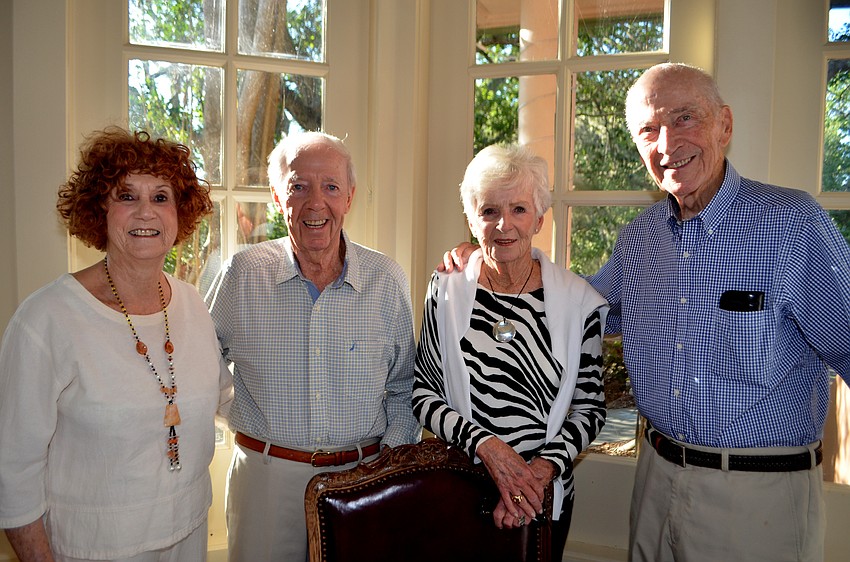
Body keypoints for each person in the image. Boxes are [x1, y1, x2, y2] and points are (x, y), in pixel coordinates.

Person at [442, 63, 850, 562]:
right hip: (656, 481)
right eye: (649, 130)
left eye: (684, 118)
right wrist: (489, 258)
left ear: (724, 124)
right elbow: (570, 311)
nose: (667, 143)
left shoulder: (791, 223)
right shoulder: (639, 238)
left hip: (758, 494)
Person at [0, 127, 233, 561]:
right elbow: (12, 469)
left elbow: (223, 398)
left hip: (189, 534)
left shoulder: (192, 304)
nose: (146, 212)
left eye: (161, 197)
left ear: (180, 213)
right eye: (127, 196)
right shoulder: (47, 319)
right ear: (99, 210)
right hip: (93, 548)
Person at [206, 131, 421, 561]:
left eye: (331, 187)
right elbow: (199, 366)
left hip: (363, 479)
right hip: (265, 481)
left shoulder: (386, 279)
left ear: (350, 197)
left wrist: (384, 468)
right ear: (277, 197)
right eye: (299, 186)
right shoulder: (243, 274)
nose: (316, 203)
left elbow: (405, 388)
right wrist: (245, 414)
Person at [413, 143, 609, 556]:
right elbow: (424, 395)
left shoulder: (580, 302)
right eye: (489, 211)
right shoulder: (446, 288)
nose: (504, 225)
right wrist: (489, 449)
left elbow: (589, 409)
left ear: (539, 218)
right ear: (471, 220)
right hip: (459, 486)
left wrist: (532, 477)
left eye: (519, 209)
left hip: (543, 495)